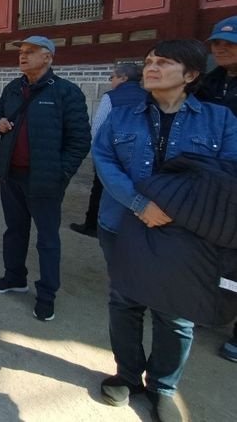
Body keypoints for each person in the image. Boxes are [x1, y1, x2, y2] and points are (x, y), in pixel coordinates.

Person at [92, 39, 237, 422]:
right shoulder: (123, 115)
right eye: (149, 61)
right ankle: (126, 375)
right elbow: (104, 158)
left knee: (176, 312)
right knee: (124, 300)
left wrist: (175, 209)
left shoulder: (219, 120)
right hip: (123, 222)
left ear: (190, 75)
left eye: (163, 62)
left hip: (186, 232)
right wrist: (140, 204)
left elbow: (227, 175)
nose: (151, 67)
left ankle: (164, 386)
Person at [0, 35, 90, 321]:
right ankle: (14, 277)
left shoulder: (67, 92)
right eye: (21, 52)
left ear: (48, 58)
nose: (22, 56)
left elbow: (80, 140)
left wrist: (62, 174)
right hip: (11, 175)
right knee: (14, 230)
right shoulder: (13, 88)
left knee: (47, 239)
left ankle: (46, 295)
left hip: (46, 180)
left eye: (30, 52)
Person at [196, 15, 237, 364]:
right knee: (211, 251)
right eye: (217, 43)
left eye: (230, 43)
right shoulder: (210, 83)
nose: (221, 48)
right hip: (212, 182)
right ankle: (210, 307)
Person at [71, 63, 145, 238]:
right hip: (139, 154)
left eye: (112, 77)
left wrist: (98, 156)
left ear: (123, 78)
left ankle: (92, 226)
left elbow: (98, 128)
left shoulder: (111, 97)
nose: (111, 80)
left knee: (100, 189)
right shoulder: (148, 96)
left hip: (112, 154)